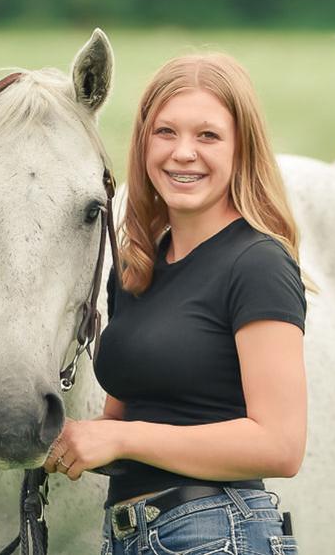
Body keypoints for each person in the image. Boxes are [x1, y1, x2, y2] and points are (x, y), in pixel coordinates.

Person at [44, 53, 309, 555]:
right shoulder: (135, 269)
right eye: (165, 132)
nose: (183, 152)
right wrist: (36, 432)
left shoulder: (258, 264)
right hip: (129, 536)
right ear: (144, 145)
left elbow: (280, 444)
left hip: (218, 533)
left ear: (242, 149)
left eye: (207, 136)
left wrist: (124, 441)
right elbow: (119, 425)